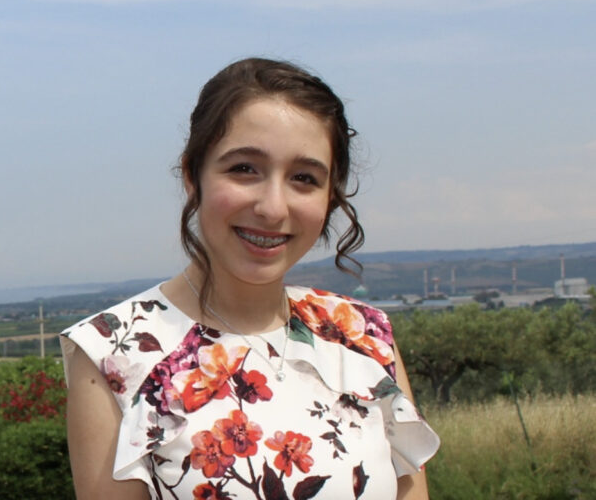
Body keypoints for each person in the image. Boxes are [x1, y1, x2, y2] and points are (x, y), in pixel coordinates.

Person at [60, 57, 440, 499]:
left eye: (304, 178)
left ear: (329, 196)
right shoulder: (113, 354)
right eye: (244, 169)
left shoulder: (363, 336)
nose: (273, 208)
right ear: (192, 175)